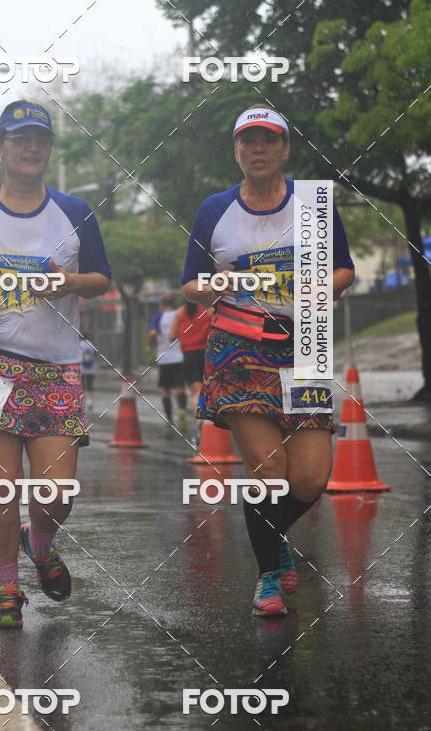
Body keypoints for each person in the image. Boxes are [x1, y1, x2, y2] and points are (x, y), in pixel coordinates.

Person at [182, 104, 355, 617]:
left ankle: (271, 539)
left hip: (304, 346)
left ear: (285, 149)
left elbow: (345, 269)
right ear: (236, 151)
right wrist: (222, 282)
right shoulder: (214, 209)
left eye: (267, 141)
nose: (257, 149)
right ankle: (268, 578)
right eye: (247, 142)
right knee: (268, 469)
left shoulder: (315, 203)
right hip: (239, 347)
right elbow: (190, 284)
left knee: (309, 478)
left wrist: (319, 289)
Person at [0, 100, 111, 629]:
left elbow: (101, 280)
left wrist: (66, 281)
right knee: (1, 485)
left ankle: (39, 541)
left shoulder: (75, 209)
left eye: (40, 139)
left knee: (56, 490)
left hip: (56, 365)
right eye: (19, 139)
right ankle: (7, 590)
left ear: (48, 150)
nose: (30, 148)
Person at [168, 300, 212, 447]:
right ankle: (211, 422)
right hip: (206, 352)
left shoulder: (179, 313)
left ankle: (200, 421)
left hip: (189, 354)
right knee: (209, 390)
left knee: (196, 392)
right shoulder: (207, 310)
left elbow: (171, 336)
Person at [148, 295, 187, 428]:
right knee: (180, 387)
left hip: (164, 358)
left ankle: (169, 418)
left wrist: (150, 345)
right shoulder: (179, 315)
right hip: (180, 356)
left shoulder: (158, 318)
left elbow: (153, 333)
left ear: (162, 305)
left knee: (165, 389)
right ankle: (182, 410)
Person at [80, 332, 97, 411]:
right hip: (91, 369)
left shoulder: (79, 344)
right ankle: (90, 402)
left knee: (82, 386)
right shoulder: (91, 344)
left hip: (82, 369)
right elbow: (95, 355)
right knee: (90, 386)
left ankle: (82, 402)